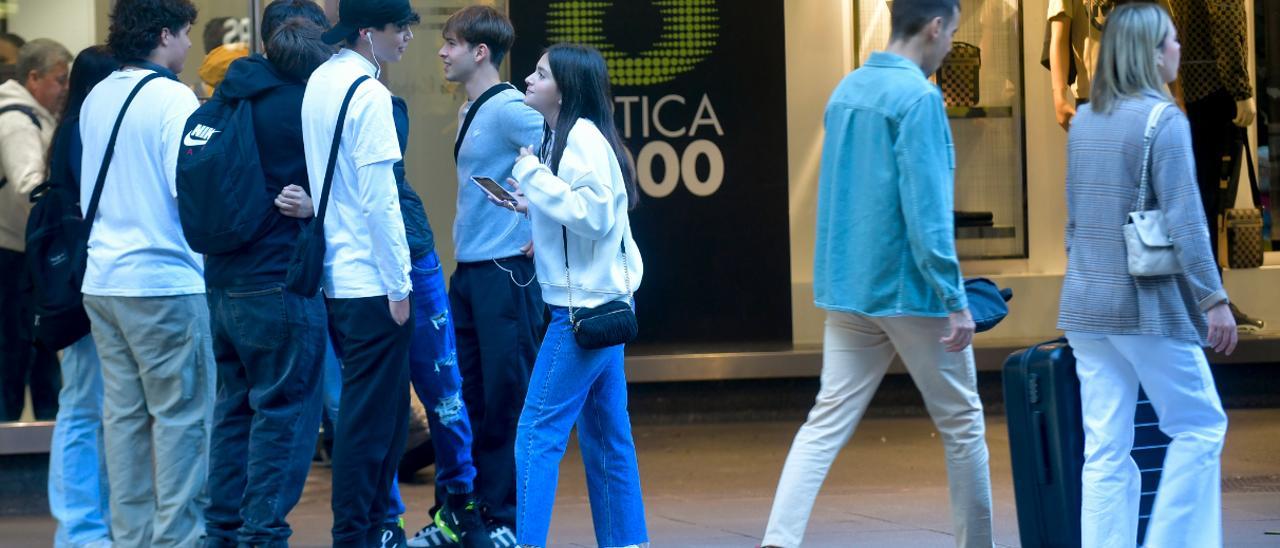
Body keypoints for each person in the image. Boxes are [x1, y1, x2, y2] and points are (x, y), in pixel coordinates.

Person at [761, 1, 994, 546]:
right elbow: (928, 212)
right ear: (935, 27)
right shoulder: (918, 98)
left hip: (848, 287)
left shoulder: (847, 91)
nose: (948, 47)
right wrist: (954, 298)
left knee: (825, 422)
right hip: (910, 293)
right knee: (963, 427)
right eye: (953, 34)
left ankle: (778, 540)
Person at [1059, 4, 1235, 546]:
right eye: (1172, 41)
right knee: (1201, 425)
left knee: (1106, 448)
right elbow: (1186, 219)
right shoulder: (1165, 121)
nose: (1180, 49)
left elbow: (1074, 222)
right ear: (1150, 53)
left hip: (1085, 306)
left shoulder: (1084, 121)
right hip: (1143, 306)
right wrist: (1214, 298)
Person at [502, 43, 647, 548]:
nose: (528, 79)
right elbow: (582, 217)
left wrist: (530, 176)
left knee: (535, 436)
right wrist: (534, 209)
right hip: (599, 306)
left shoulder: (579, 137)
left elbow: (596, 213)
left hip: (581, 314)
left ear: (563, 89)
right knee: (608, 440)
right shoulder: (565, 135)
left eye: (540, 74)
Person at [199, 2, 333, 546]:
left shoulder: (225, 97)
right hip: (281, 280)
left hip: (223, 282)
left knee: (233, 411)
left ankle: (221, 533)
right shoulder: (302, 104)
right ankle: (262, 536)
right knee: (285, 414)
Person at [79, 1, 213, 545]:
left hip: (104, 280)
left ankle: (130, 536)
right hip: (163, 280)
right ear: (164, 34)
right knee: (182, 422)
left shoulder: (98, 94)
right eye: (186, 34)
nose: (189, 46)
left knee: (124, 422)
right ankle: (178, 540)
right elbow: (189, 190)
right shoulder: (173, 98)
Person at [428, 7, 546, 543]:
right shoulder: (472, 110)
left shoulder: (507, 109)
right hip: (472, 273)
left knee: (505, 396)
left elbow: (563, 143)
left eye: (451, 43)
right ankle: (465, 514)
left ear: (480, 52)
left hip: (506, 275)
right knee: (467, 395)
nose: (442, 51)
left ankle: (503, 518)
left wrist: (545, 222)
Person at [302, 0, 415, 544]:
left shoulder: (320, 81)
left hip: (335, 273)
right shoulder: (369, 95)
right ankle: (357, 534)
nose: (409, 38)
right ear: (368, 33)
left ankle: (366, 530)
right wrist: (400, 284)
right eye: (401, 28)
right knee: (375, 423)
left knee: (371, 416)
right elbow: (380, 200)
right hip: (371, 279)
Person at [43, 44, 117, 548]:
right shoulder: (84, 134)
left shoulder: (71, 130)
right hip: (85, 285)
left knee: (88, 405)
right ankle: (81, 528)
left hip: (81, 283)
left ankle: (89, 524)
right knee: (84, 406)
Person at [1167, 0, 1266, 332]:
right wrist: (1241, 90)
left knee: (1198, 201)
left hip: (1192, 88)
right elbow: (1224, 21)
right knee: (1210, 206)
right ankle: (1210, 305)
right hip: (1215, 90)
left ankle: (1201, 302)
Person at [0, 37, 70, 423]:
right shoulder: (16, 121)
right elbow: (29, 186)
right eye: (59, 80)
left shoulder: (32, 115)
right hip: (13, 257)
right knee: (17, 356)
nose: (64, 89)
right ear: (33, 78)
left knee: (34, 356)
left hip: (20, 254)